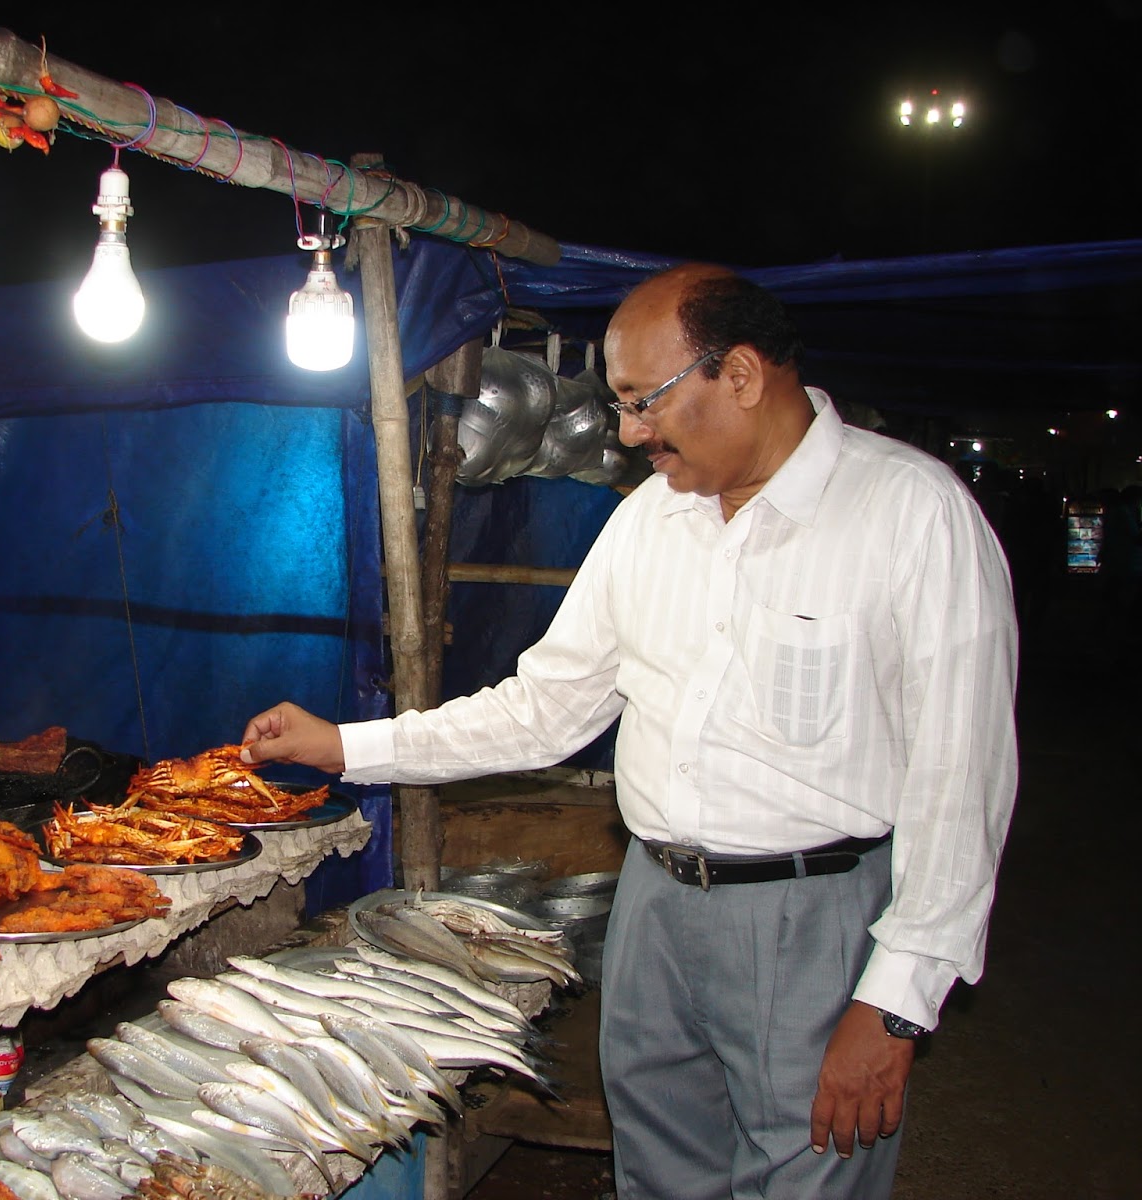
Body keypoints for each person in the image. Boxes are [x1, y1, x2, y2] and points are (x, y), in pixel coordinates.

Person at [241, 264, 1019, 1200]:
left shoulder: (911, 514)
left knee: (812, 1174)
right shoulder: (651, 521)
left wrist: (895, 1004)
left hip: (814, 920)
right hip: (653, 906)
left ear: (737, 375)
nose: (626, 431)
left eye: (641, 401)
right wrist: (347, 746)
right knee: (658, 1169)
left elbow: (958, 782)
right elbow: (547, 710)